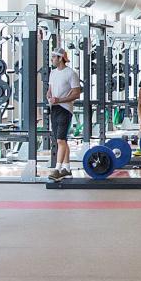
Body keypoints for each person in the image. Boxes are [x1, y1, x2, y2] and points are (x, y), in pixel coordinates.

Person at [46, 48, 82, 181]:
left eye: (53, 57)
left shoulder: (71, 73)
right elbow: (50, 89)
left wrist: (60, 100)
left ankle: (57, 169)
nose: (52, 60)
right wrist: (49, 94)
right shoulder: (53, 73)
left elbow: (76, 93)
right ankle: (67, 168)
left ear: (60, 58)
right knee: (61, 140)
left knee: (60, 140)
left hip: (65, 109)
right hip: (54, 108)